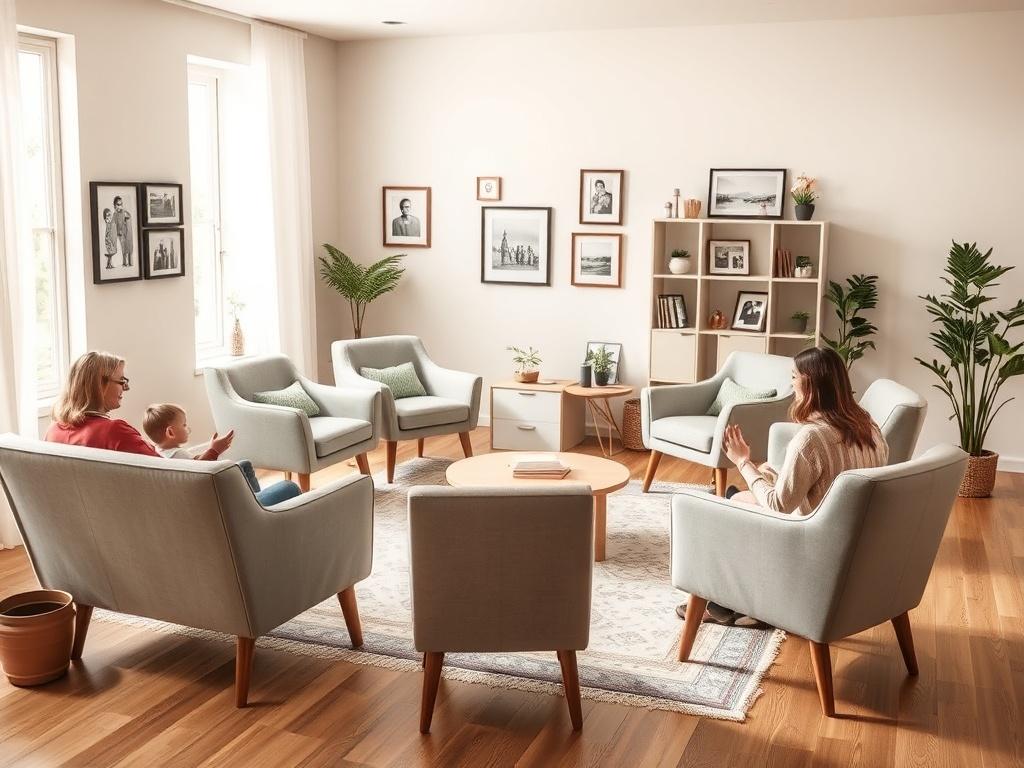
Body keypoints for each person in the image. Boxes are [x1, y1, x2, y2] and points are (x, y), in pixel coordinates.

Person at [677, 347, 889, 627]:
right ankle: (732, 606)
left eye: (794, 377)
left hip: (811, 545)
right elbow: (831, 480)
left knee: (728, 507)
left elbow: (780, 506)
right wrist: (771, 473)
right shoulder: (869, 426)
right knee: (737, 496)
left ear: (810, 384)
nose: (791, 384)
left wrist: (743, 462)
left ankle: (721, 603)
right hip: (849, 538)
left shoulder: (812, 438)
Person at [45, 352, 301, 506]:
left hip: (115, 522)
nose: (124, 387)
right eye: (121, 381)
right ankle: (258, 523)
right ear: (97, 386)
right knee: (289, 490)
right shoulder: (114, 432)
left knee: (240, 469)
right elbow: (175, 478)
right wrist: (212, 454)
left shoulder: (53, 433)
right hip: (185, 515)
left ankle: (256, 517)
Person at [142, 403, 277, 500]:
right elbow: (199, 471)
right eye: (183, 425)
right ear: (170, 432)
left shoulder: (162, 453)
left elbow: (194, 462)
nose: (187, 428)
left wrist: (210, 449)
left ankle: (254, 498)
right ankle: (257, 503)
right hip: (210, 489)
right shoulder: (177, 455)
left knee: (244, 465)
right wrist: (215, 450)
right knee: (247, 467)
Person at [112, 196, 133, 267]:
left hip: (126, 233)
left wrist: (126, 216)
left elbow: (128, 218)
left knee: (128, 247)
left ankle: (129, 262)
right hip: (119, 234)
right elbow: (113, 224)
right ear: (114, 205)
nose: (120, 206)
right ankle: (124, 262)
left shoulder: (124, 212)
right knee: (123, 248)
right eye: (118, 204)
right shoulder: (114, 214)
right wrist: (117, 232)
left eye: (121, 204)